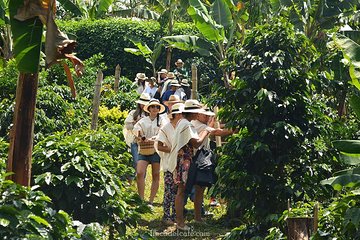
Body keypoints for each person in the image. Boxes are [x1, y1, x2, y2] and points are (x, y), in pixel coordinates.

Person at [167, 99, 211, 231]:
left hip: (181, 159)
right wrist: (206, 131)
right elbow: (196, 142)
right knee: (181, 191)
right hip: (183, 160)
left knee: (180, 191)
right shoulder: (186, 124)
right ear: (193, 113)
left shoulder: (183, 123)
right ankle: (180, 223)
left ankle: (180, 221)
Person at [155, 103, 184, 225]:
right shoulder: (166, 128)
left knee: (178, 191)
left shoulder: (183, 127)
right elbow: (159, 146)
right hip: (169, 163)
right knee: (169, 190)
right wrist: (173, 151)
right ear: (176, 115)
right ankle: (167, 216)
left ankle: (175, 215)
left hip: (181, 164)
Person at [133, 99, 166, 205]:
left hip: (156, 150)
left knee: (156, 174)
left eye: (157, 107)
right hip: (144, 149)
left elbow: (164, 132)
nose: (155, 109)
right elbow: (136, 130)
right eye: (152, 107)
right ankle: (141, 199)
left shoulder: (162, 120)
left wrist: (154, 138)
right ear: (149, 109)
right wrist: (141, 136)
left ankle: (151, 200)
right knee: (140, 172)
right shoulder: (143, 121)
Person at [123, 93, 151, 179]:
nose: (143, 105)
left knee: (144, 161)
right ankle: (134, 177)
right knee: (136, 160)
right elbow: (127, 125)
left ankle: (142, 178)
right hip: (135, 140)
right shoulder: (133, 113)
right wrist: (136, 124)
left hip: (144, 141)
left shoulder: (150, 115)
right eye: (142, 103)